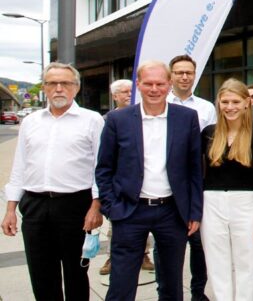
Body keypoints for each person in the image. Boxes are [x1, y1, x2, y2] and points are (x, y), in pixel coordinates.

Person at [96, 60, 203, 301]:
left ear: (169, 85)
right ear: (138, 85)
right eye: (148, 83)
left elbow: (195, 169)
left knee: (171, 283)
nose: (154, 89)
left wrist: (194, 212)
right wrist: (111, 207)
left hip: (173, 212)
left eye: (160, 84)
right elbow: (104, 168)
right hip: (129, 211)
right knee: (121, 284)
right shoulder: (118, 119)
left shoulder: (187, 117)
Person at [2, 62, 104, 301]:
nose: (59, 88)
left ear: (76, 88)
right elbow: (20, 166)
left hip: (75, 206)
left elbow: (101, 167)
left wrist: (96, 206)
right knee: (41, 274)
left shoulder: (92, 120)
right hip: (35, 206)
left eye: (65, 83)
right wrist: (10, 209)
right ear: (45, 88)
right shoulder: (31, 122)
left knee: (76, 273)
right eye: (52, 83)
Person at [201, 79, 253, 300]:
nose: (230, 107)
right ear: (218, 104)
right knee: (216, 262)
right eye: (225, 102)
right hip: (211, 202)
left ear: (246, 103)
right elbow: (200, 173)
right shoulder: (208, 133)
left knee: (248, 262)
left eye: (235, 101)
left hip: (247, 202)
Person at [165, 54, 215, 301]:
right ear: (171, 75)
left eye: (189, 72)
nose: (184, 77)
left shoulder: (206, 108)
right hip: (166, 187)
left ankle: (198, 293)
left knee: (198, 245)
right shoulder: (159, 103)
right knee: (169, 246)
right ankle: (169, 292)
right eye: (179, 72)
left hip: (198, 183)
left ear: (194, 75)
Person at [100, 79, 155, 276]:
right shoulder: (109, 119)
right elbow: (104, 159)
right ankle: (111, 258)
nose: (128, 95)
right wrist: (108, 201)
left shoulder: (144, 116)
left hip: (146, 188)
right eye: (123, 92)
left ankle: (144, 255)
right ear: (115, 96)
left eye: (131, 91)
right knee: (116, 231)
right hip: (120, 189)